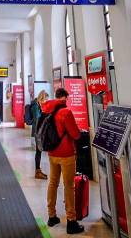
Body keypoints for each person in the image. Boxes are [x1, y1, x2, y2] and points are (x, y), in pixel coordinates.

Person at [43, 88, 84, 235]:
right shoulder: (66, 112)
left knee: (53, 183)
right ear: (64, 97)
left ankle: (52, 216)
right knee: (69, 186)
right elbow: (75, 133)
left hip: (52, 153)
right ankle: (71, 221)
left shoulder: (48, 110)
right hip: (66, 154)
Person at [32, 90, 49, 180]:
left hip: (39, 131)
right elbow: (37, 119)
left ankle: (38, 170)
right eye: (45, 99)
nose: (46, 101)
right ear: (42, 98)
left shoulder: (38, 105)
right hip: (38, 132)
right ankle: (37, 171)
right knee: (38, 151)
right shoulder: (36, 106)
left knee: (39, 151)